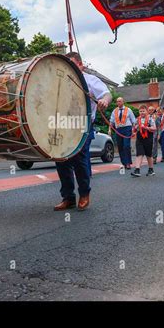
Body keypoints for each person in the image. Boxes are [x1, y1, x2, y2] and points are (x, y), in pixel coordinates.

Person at [54, 52, 111, 211]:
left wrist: (104, 101)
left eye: (72, 64)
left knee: (80, 161)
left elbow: (106, 94)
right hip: (63, 125)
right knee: (61, 160)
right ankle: (68, 198)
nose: (69, 67)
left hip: (83, 126)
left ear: (81, 65)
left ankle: (84, 194)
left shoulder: (91, 80)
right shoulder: (61, 79)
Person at [108, 97, 135, 169]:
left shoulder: (128, 110)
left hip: (127, 129)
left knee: (126, 146)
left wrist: (133, 130)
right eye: (117, 101)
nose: (118, 103)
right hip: (118, 129)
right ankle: (124, 163)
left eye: (120, 101)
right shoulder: (114, 111)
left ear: (123, 102)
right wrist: (109, 129)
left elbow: (133, 121)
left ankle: (128, 163)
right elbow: (111, 121)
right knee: (120, 146)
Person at [130, 105, 156, 177]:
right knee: (139, 153)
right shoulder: (137, 119)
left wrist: (146, 128)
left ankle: (151, 169)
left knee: (148, 154)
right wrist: (133, 132)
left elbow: (154, 128)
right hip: (139, 138)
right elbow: (134, 129)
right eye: (140, 111)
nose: (142, 112)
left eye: (143, 111)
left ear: (146, 111)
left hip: (148, 138)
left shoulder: (150, 119)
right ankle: (137, 170)